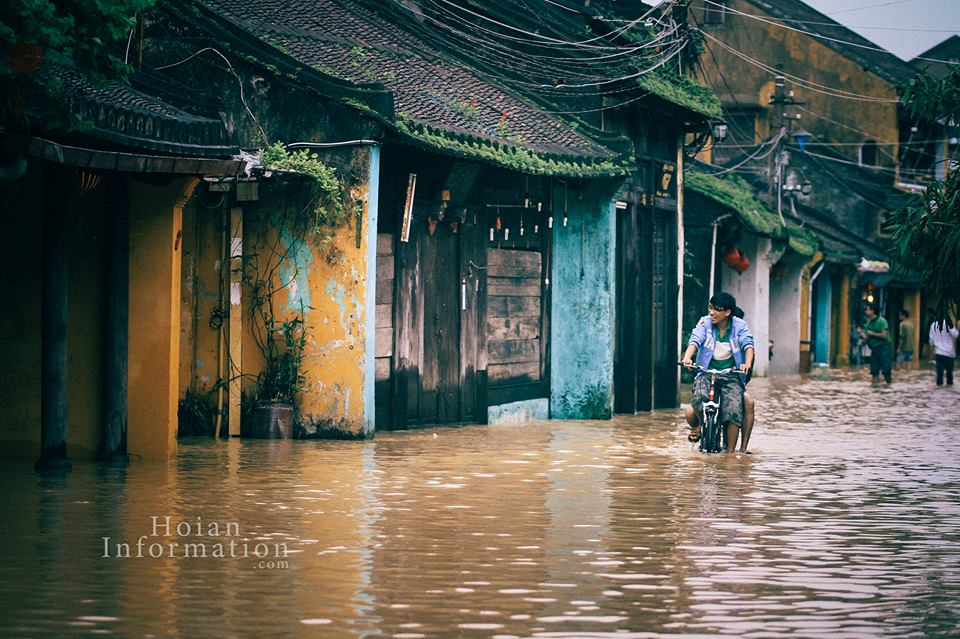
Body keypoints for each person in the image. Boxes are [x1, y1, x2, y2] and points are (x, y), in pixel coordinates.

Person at [682, 292, 755, 453]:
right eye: (710, 308)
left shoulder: (739, 326)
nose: (712, 312)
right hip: (706, 373)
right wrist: (687, 357)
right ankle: (701, 426)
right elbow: (695, 339)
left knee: (734, 410)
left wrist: (747, 364)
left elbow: (748, 345)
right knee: (699, 398)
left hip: (731, 375)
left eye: (717, 309)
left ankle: (730, 454)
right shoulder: (705, 322)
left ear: (728, 312)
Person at [859, 305, 892, 384]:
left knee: (886, 370)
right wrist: (860, 332)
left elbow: (884, 335)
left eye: (867, 310)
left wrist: (872, 333)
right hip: (874, 349)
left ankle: (889, 386)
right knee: (874, 371)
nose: (865, 312)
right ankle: (875, 389)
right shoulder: (869, 324)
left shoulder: (882, 321)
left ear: (872, 311)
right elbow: (866, 337)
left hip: (884, 348)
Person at [929, 317, 959, 386]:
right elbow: (956, 335)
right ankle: (949, 390)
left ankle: (939, 390)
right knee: (949, 373)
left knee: (939, 373)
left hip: (939, 353)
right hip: (950, 353)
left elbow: (931, 341)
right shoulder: (948, 324)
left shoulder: (933, 325)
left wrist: (932, 355)